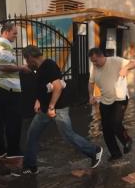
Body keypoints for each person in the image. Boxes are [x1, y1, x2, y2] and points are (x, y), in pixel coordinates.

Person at [11, 46, 103, 176]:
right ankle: (30, 166)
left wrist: (51, 107)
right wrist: (39, 101)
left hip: (57, 108)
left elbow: (58, 87)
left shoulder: (49, 65)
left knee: (68, 136)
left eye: (26, 58)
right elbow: (44, 88)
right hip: (45, 109)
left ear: (30, 56)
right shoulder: (39, 69)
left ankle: (95, 151)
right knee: (32, 134)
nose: (27, 62)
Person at [88, 48, 135, 162]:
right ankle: (115, 153)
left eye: (95, 60)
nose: (94, 63)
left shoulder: (115, 61)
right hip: (104, 100)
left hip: (119, 98)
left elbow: (134, 63)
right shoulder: (94, 67)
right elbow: (91, 82)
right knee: (106, 129)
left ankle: (127, 140)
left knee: (115, 123)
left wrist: (125, 68)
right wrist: (90, 95)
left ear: (101, 56)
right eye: (92, 61)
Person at [0, 22, 30, 160]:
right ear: (6, 32)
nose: (15, 36)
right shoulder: (5, 45)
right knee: (13, 121)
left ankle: (0, 151)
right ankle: (13, 152)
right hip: (8, 88)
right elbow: (3, 66)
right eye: (14, 33)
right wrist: (21, 68)